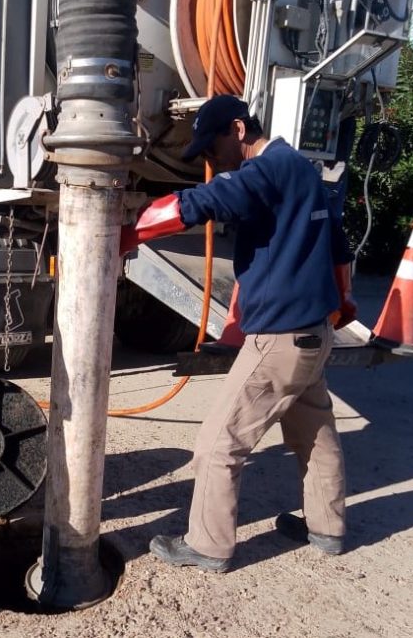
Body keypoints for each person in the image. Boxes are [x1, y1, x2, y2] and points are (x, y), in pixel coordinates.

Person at [120, 94, 357, 572]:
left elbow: (207, 200)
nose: (210, 160)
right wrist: (343, 304)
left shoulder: (265, 170)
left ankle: (208, 546)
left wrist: (132, 231)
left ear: (239, 130)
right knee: (316, 434)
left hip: (279, 339)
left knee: (219, 443)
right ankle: (326, 528)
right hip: (314, 334)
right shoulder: (305, 171)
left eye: (213, 148)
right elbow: (339, 248)